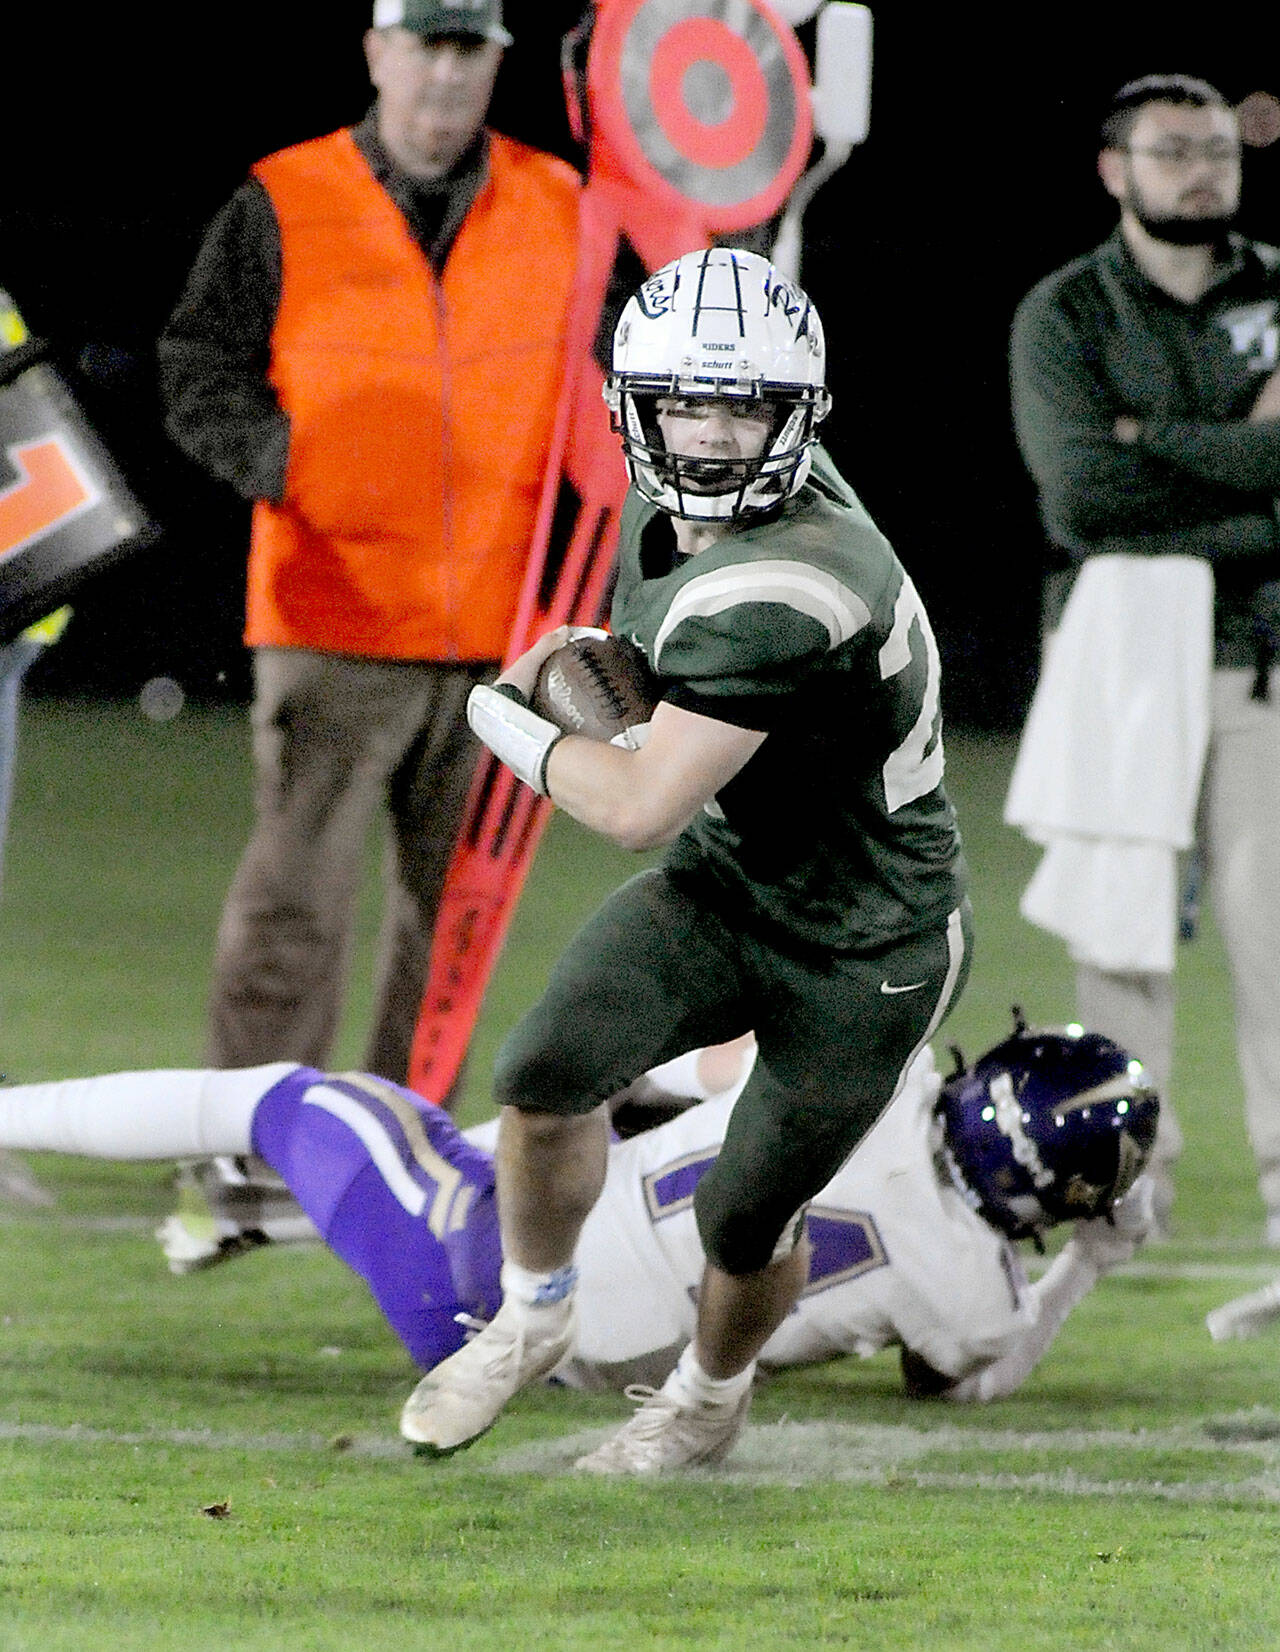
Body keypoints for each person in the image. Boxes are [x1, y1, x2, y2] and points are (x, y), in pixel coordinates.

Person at [398, 245, 972, 1474]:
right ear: (633, 405)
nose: (710, 436)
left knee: (742, 1212)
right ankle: (532, 1316)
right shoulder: (684, 513)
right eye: (684, 404)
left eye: (743, 408)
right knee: (541, 1072)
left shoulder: (791, 582)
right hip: (733, 877)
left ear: (799, 415)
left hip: (868, 940)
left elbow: (639, 804)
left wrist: (506, 718)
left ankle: (707, 1398)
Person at [156, 0, 581, 1089]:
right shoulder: (285, 194)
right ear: (376, 52)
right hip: (332, 614)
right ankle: (252, 1140)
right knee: (292, 909)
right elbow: (197, 366)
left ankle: (404, 1138)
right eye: (426, 45)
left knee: (457, 927)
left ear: (496, 62)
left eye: (469, 49)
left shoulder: (563, 200)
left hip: (505, 633)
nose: (446, 73)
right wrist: (292, 465)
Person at [0, 1023, 1159, 1407]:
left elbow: (642, 1079)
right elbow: (957, 1380)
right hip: (569, 1378)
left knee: (279, 1096)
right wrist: (1088, 1267)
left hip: (479, 1267)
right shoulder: (978, 1302)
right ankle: (290, 1205)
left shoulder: (868, 1063)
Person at [1006, 75, 1280, 1244]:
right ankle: (1120, 1190)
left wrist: (1149, 440)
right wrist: (1249, 460)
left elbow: (1128, 486)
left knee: (1272, 931)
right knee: (1117, 929)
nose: (1200, 170)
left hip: (1256, 656)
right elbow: (1079, 498)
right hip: (1115, 658)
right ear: (1114, 169)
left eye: (1216, 149)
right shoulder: (1063, 311)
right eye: (1172, 150)